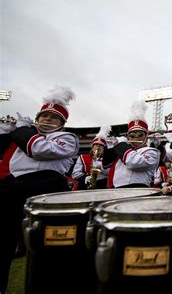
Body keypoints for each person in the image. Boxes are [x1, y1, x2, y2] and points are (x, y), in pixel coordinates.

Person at [0, 86, 79, 293]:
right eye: (43, 115)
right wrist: (7, 129)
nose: (47, 119)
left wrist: (21, 130)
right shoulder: (23, 135)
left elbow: (38, 149)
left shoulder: (69, 139)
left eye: (54, 118)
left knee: (47, 245)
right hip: (14, 188)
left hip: (47, 191)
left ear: (62, 124)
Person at [102, 100, 159, 188]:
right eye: (132, 135)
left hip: (137, 189)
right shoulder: (124, 150)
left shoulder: (152, 152)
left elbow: (134, 163)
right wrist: (111, 147)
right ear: (128, 137)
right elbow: (105, 170)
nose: (136, 137)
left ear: (146, 136)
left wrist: (121, 145)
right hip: (116, 189)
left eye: (140, 134)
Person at [72, 125, 111, 190]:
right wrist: (85, 178)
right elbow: (75, 173)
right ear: (92, 147)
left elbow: (110, 173)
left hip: (102, 185)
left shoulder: (108, 158)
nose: (98, 147)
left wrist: (100, 166)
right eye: (96, 145)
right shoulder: (83, 157)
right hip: (85, 185)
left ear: (104, 148)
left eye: (101, 145)